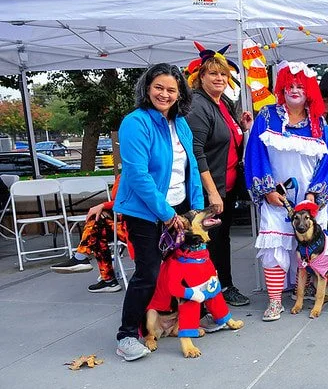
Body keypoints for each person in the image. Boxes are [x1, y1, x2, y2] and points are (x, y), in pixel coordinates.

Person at [113, 63, 204, 361]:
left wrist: (196, 209)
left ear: (180, 94)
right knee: (148, 273)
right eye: (159, 88)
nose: (164, 94)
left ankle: (178, 323)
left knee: (182, 270)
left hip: (179, 207)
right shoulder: (135, 123)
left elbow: (191, 168)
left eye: (171, 90)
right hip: (145, 212)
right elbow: (138, 175)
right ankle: (127, 335)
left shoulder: (181, 123)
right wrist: (166, 214)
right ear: (147, 88)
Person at [244, 61, 328, 322]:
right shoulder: (266, 116)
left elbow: (327, 162)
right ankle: (275, 301)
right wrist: (267, 190)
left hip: (309, 199)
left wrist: (314, 195)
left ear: (309, 91)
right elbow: (255, 154)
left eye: (300, 86)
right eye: (290, 85)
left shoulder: (318, 123)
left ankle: (303, 290)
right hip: (276, 196)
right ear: (282, 88)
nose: (295, 90)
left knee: (310, 246)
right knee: (274, 245)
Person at [185, 44, 253, 307]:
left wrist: (242, 127)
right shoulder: (198, 105)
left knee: (221, 239)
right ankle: (209, 294)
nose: (219, 78)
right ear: (200, 76)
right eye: (213, 73)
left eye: (223, 74)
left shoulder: (223, 102)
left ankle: (223, 286)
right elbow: (197, 152)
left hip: (228, 186)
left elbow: (228, 139)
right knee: (208, 241)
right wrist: (213, 192)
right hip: (210, 189)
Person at [50, 177, 127, 293]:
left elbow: (131, 201)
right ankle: (106, 279)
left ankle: (84, 259)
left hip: (139, 230)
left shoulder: (140, 173)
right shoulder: (128, 173)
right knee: (97, 225)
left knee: (96, 227)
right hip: (129, 225)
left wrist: (104, 205)